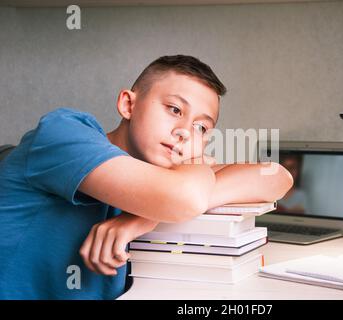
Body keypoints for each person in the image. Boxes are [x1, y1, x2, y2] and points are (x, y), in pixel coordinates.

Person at [0, 55, 293, 299]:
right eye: (174, 109)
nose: (185, 132)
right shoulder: (63, 133)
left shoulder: (164, 173)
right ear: (128, 104)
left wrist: (143, 218)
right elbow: (185, 197)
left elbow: (277, 177)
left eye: (202, 128)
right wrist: (188, 184)